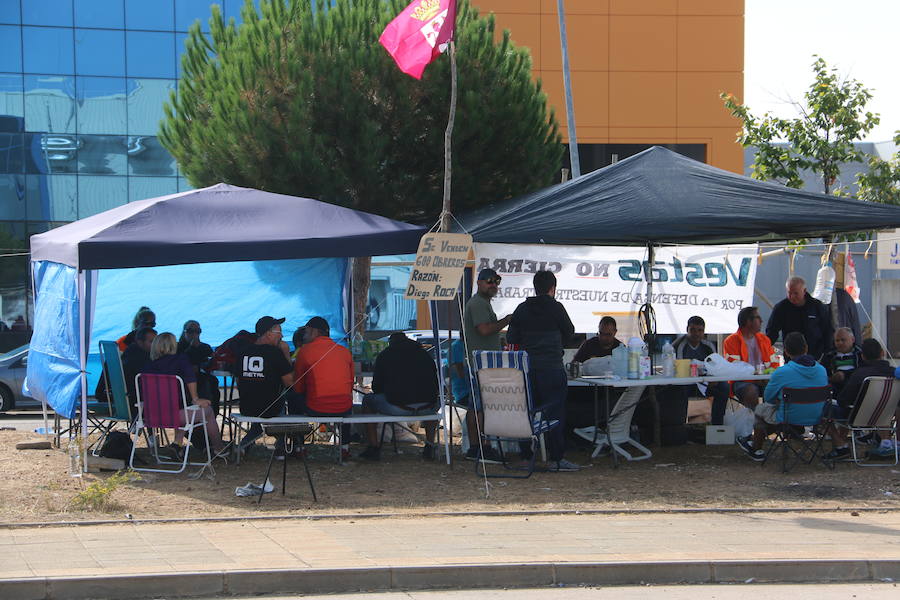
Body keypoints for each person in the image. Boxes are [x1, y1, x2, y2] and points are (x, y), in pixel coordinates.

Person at [506, 270, 579, 472]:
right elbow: (570, 332)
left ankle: (526, 456)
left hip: (528, 370)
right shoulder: (556, 308)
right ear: (552, 288)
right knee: (555, 414)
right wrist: (558, 345)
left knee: (527, 412)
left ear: (535, 287)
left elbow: (511, 338)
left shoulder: (522, 309)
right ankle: (556, 459)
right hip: (552, 368)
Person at [738, 332, 828, 461]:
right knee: (778, 410)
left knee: (761, 409)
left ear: (785, 351)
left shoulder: (782, 372)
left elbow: (768, 398)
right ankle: (792, 433)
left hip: (788, 417)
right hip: (816, 416)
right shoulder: (821, 370)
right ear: (806, 348)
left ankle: (756, 447)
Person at [140, 332, 225, 457]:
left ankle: (177, 445)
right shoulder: (180, 360)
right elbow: (191, 378)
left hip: (151, 417)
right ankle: (219, 449)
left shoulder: (147, 366)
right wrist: (196, 399)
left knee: (181, 407)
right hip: (175, 416)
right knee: (208, 411)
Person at [359, 333, 440, 461]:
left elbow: (376, 387)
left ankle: (373, 447)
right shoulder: (424, 354)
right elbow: (436, 384)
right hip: (428, 406)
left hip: (398, 406)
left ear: (391, 343)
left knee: (368, 400)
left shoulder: (385, 355)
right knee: (431, 403)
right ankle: (429, 445)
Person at [460, 268, 509, 462]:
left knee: (477, 407)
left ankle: (475, 448)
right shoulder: (478, 303)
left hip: (481, 363)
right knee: (481, 408)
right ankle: (483, 447)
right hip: (479, 365)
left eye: (496, 282)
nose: (493, 285)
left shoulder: (482, 303)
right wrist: (506, 321)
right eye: (489, 281)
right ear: (479, 283)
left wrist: (500, 342)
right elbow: (484, 329)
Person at [291, 317, 353, 458]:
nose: (304, 335)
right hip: (344, 407)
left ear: (314, 332)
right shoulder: (344, 351)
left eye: (306, 331)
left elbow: (298, 387)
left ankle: (299, 447)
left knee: (293, 397)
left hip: (316, 408)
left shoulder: (304, 352)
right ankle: (345, 447)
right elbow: (350, 384)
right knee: (344, 400)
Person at [826, 338, 898, 459]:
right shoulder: (893, 374)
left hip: (859, 418)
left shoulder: (859, 375)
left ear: (863, 356)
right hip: (885, 415)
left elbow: (844, 400)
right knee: (882, 403)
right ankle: (886, 442)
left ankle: (841, 446)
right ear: (882, 353)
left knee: (823, 409)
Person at [237, 316, 294, 456]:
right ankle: (282, 447)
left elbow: (239, 381)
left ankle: (245, 443)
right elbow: (290, 382)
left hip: (246, 407)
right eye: (279, 332)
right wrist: (286, 354)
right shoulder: (275, 353)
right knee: (288, 399)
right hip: (271, 409)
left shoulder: (243, 352)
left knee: (262, 407)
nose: (281, 336)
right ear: (268, 334)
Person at [669, 316, 730, 426]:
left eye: (700, 330)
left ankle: (717, 424)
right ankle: (680, 426)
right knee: (678, 390)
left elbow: (716, 366)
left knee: (724, 387)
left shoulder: (709, 346)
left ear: (704, 332)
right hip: (686, 383)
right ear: (687, 330)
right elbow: (680, 369)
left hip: (705, 382)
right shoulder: (679, 345)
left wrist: (714, 378)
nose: (696, 333)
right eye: (692, 330)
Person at [766, 276, 833, 359]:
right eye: (789, 293)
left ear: (804, 291)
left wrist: (827, 354)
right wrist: (765, 348)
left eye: (795, 293)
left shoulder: (817, 307)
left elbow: (828, 331)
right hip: (791, 358)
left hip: (815, 357)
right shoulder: (781, 308)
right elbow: (772, 331)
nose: (792, 296)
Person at [723, 306, 776, 410]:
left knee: (776, 388)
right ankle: (754, 422)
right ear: (748, 321)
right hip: (741, 382)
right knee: (750, 391)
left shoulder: (765, 339)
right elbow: (735, 369)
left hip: (764, 380)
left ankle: (771, 421)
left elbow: (774, 364)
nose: (761, 320)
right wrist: (755, 378)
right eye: (758, 318)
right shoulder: (731, 341)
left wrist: (767, 377)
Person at [177, 320, 218, 409]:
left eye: (197, 331)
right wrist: (192, 347)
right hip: (184, 378)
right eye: (190, 331)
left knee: (212, 381)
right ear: (184, 332)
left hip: (202, 375)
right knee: (205, 383)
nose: (194, 334)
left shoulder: (205, 347)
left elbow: (213, 360)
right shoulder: (178, 347)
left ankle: (212, 412)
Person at [819, 327, 863, 396]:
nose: (840, 343)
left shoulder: (861, 355)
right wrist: (832, 379)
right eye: (837, 340)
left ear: (853, 340)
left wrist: (845, 375)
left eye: (843, 340)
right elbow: (820, 375)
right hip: (835, 390)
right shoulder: (828, 356)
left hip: (856, 389)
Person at [121, 326, 156, 410]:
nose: (155, 345)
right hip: (136, 400)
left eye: (156, 341)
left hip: (124, 398)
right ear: (140, 342)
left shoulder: (129, 352)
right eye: (151, 342)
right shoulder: (140, 358)